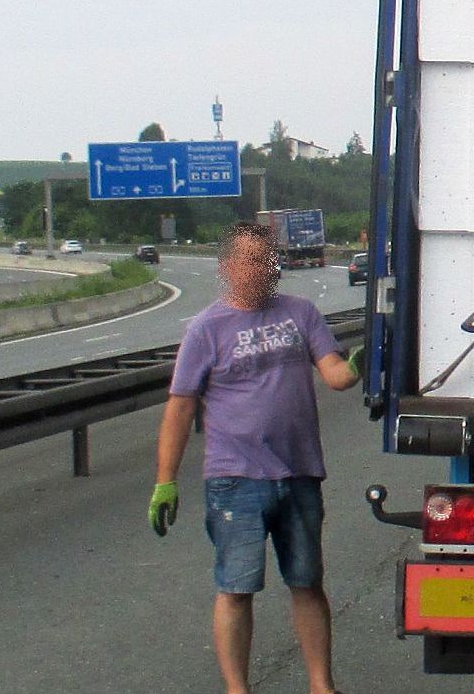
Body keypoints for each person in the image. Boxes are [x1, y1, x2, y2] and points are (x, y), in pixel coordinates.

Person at [148, 221, 362, 694]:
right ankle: (237, 689)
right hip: (235, 479)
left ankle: (322, 686)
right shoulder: (206, 329)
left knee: (307, 582)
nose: (263, 269)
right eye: (251, 260)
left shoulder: (301, 313)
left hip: (299, 473)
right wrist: (166, 479)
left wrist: (357, 367)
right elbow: (180, 407)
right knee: (236, 588)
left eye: (269, 259)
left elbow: (334, 374)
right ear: (228, 267)